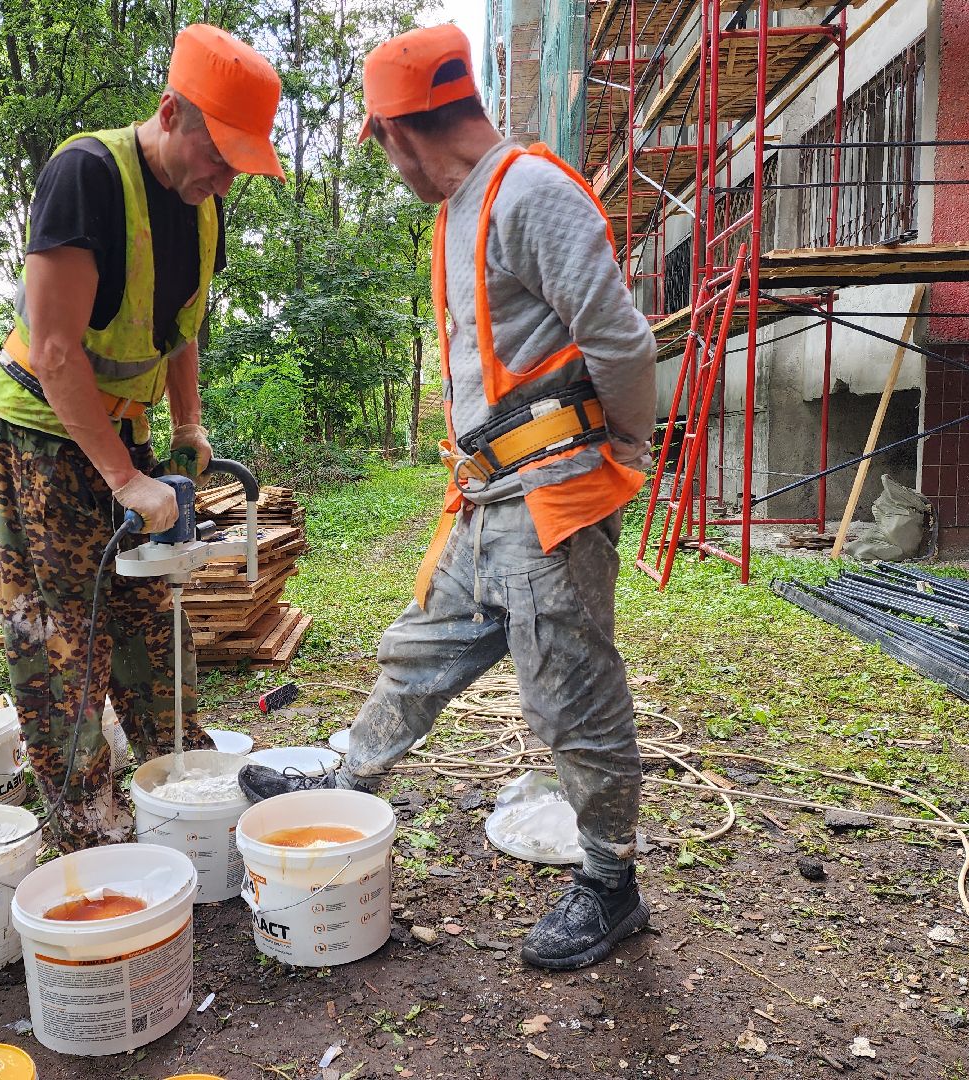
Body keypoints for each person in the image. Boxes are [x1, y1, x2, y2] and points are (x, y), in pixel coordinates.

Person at [238, 23, 657, 971]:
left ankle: (610, 883)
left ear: (397, 131)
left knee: (573, 697)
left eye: (382, 149)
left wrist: (626, 447)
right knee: (421, 647)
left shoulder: (530, 192)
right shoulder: (462, 208)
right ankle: (348, 780)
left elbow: (621, 342)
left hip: (549, 498)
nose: (390, 168)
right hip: (489, 496)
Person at [0, 24, 284, 852]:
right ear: (170, 111)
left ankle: (180, 788)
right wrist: (124, 481)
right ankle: (89, 830)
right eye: (218, 156)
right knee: (64, 639)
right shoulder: (87, 177)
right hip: (41, 440)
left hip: (127, 434)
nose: (224, 178)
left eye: (238, 165)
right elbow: (55, 351)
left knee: (153, 620)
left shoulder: (203, 202)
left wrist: (186, 425)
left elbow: (181, 329)